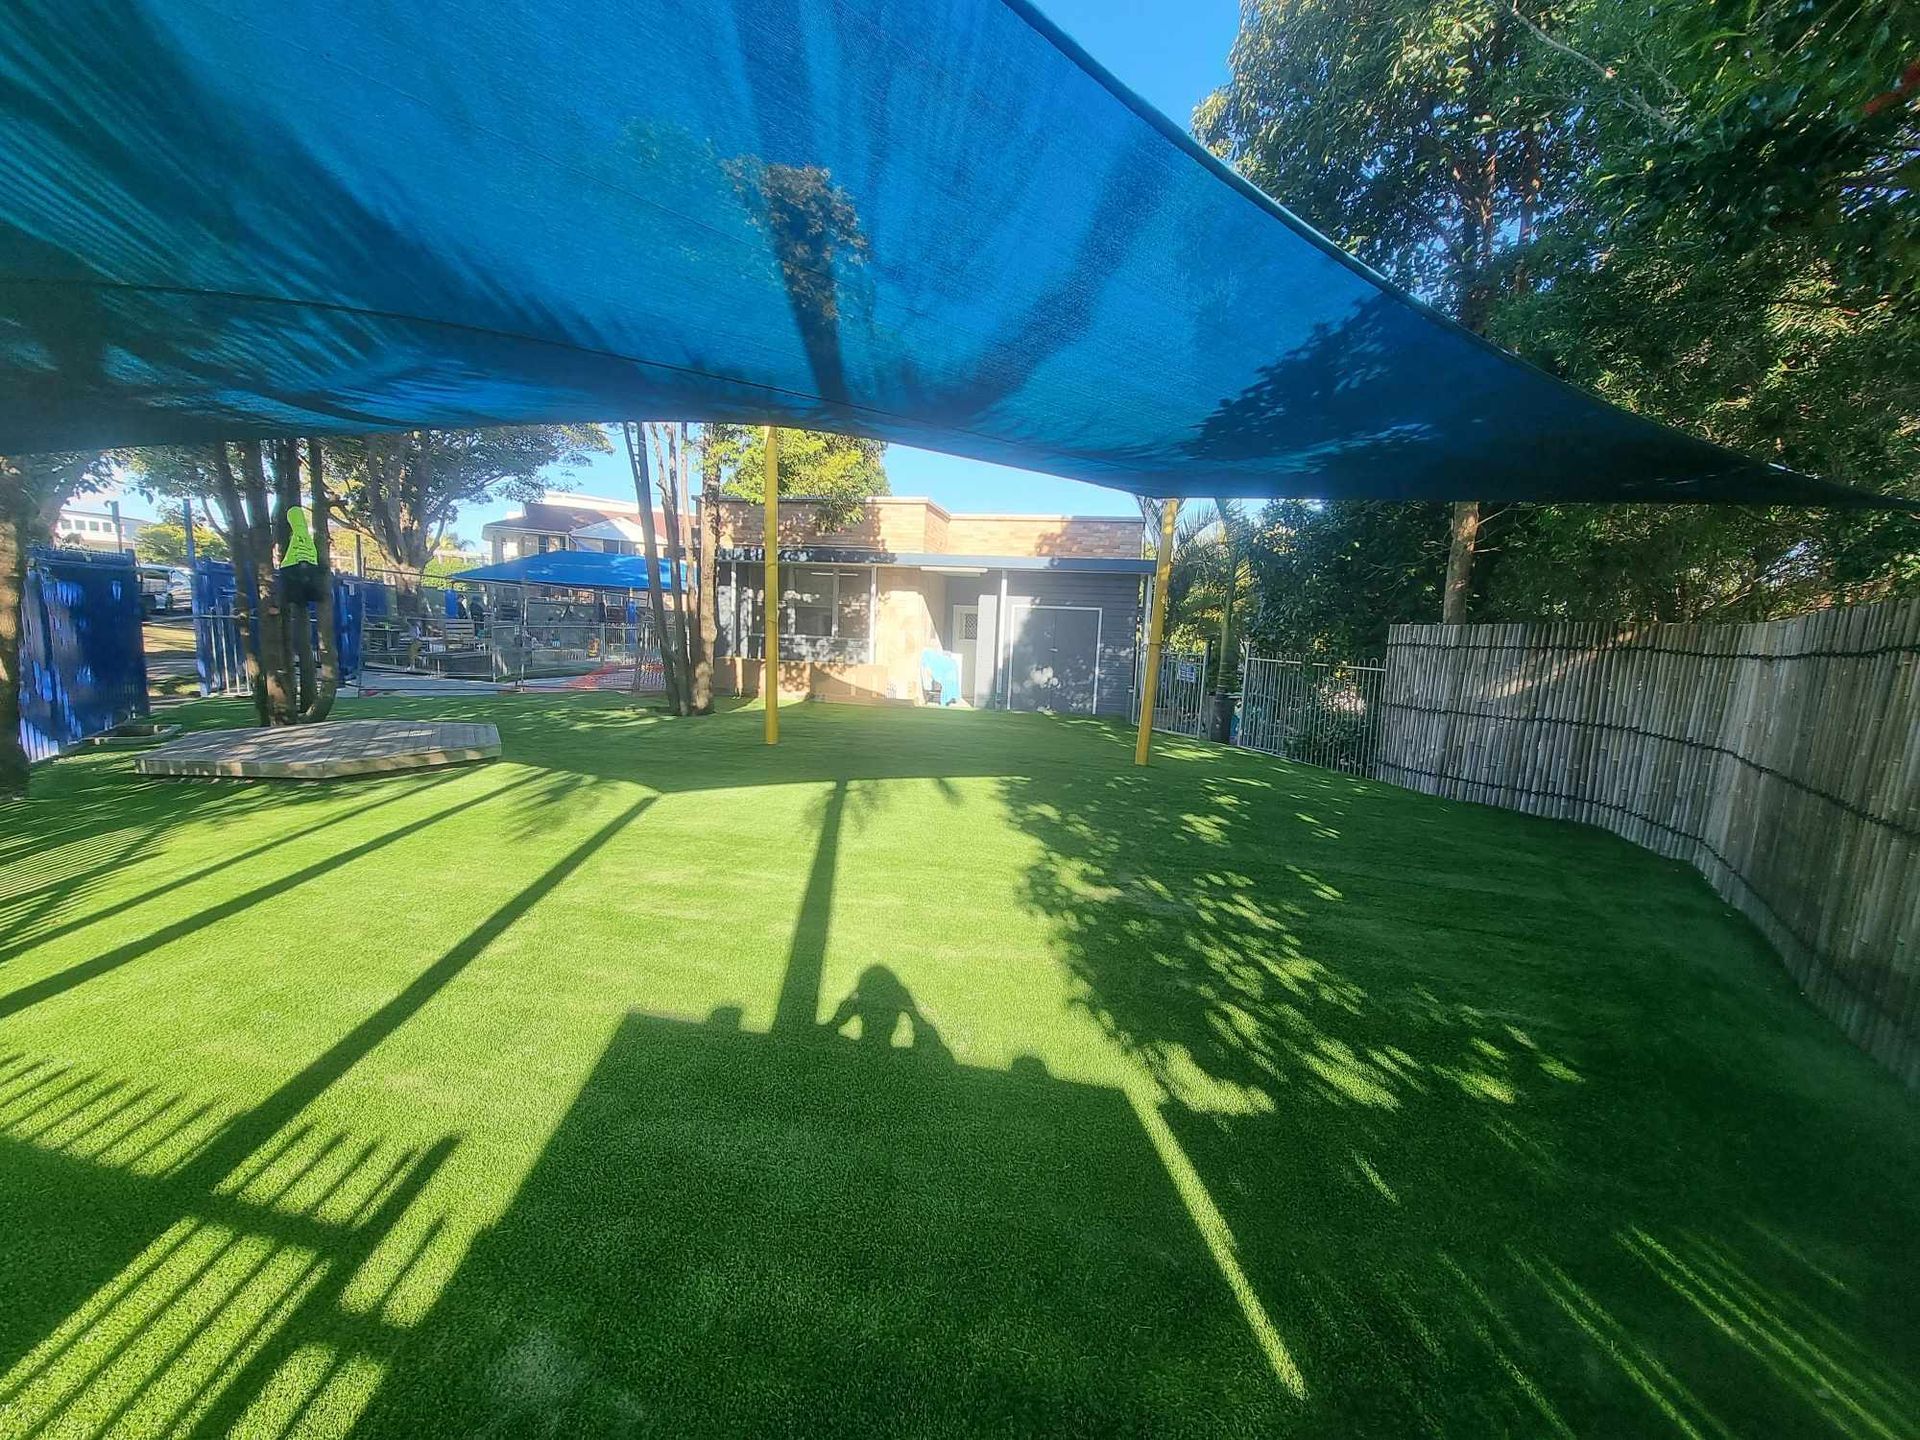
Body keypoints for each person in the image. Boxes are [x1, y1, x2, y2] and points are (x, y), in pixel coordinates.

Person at [277, 502, 323, 605]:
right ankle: (312, 595)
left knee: (293, 585)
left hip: (294, 564)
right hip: (308, 565)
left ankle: (298, 599)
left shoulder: (298, 533)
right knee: (307, 583)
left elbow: (300, 548)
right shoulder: (306, 534)